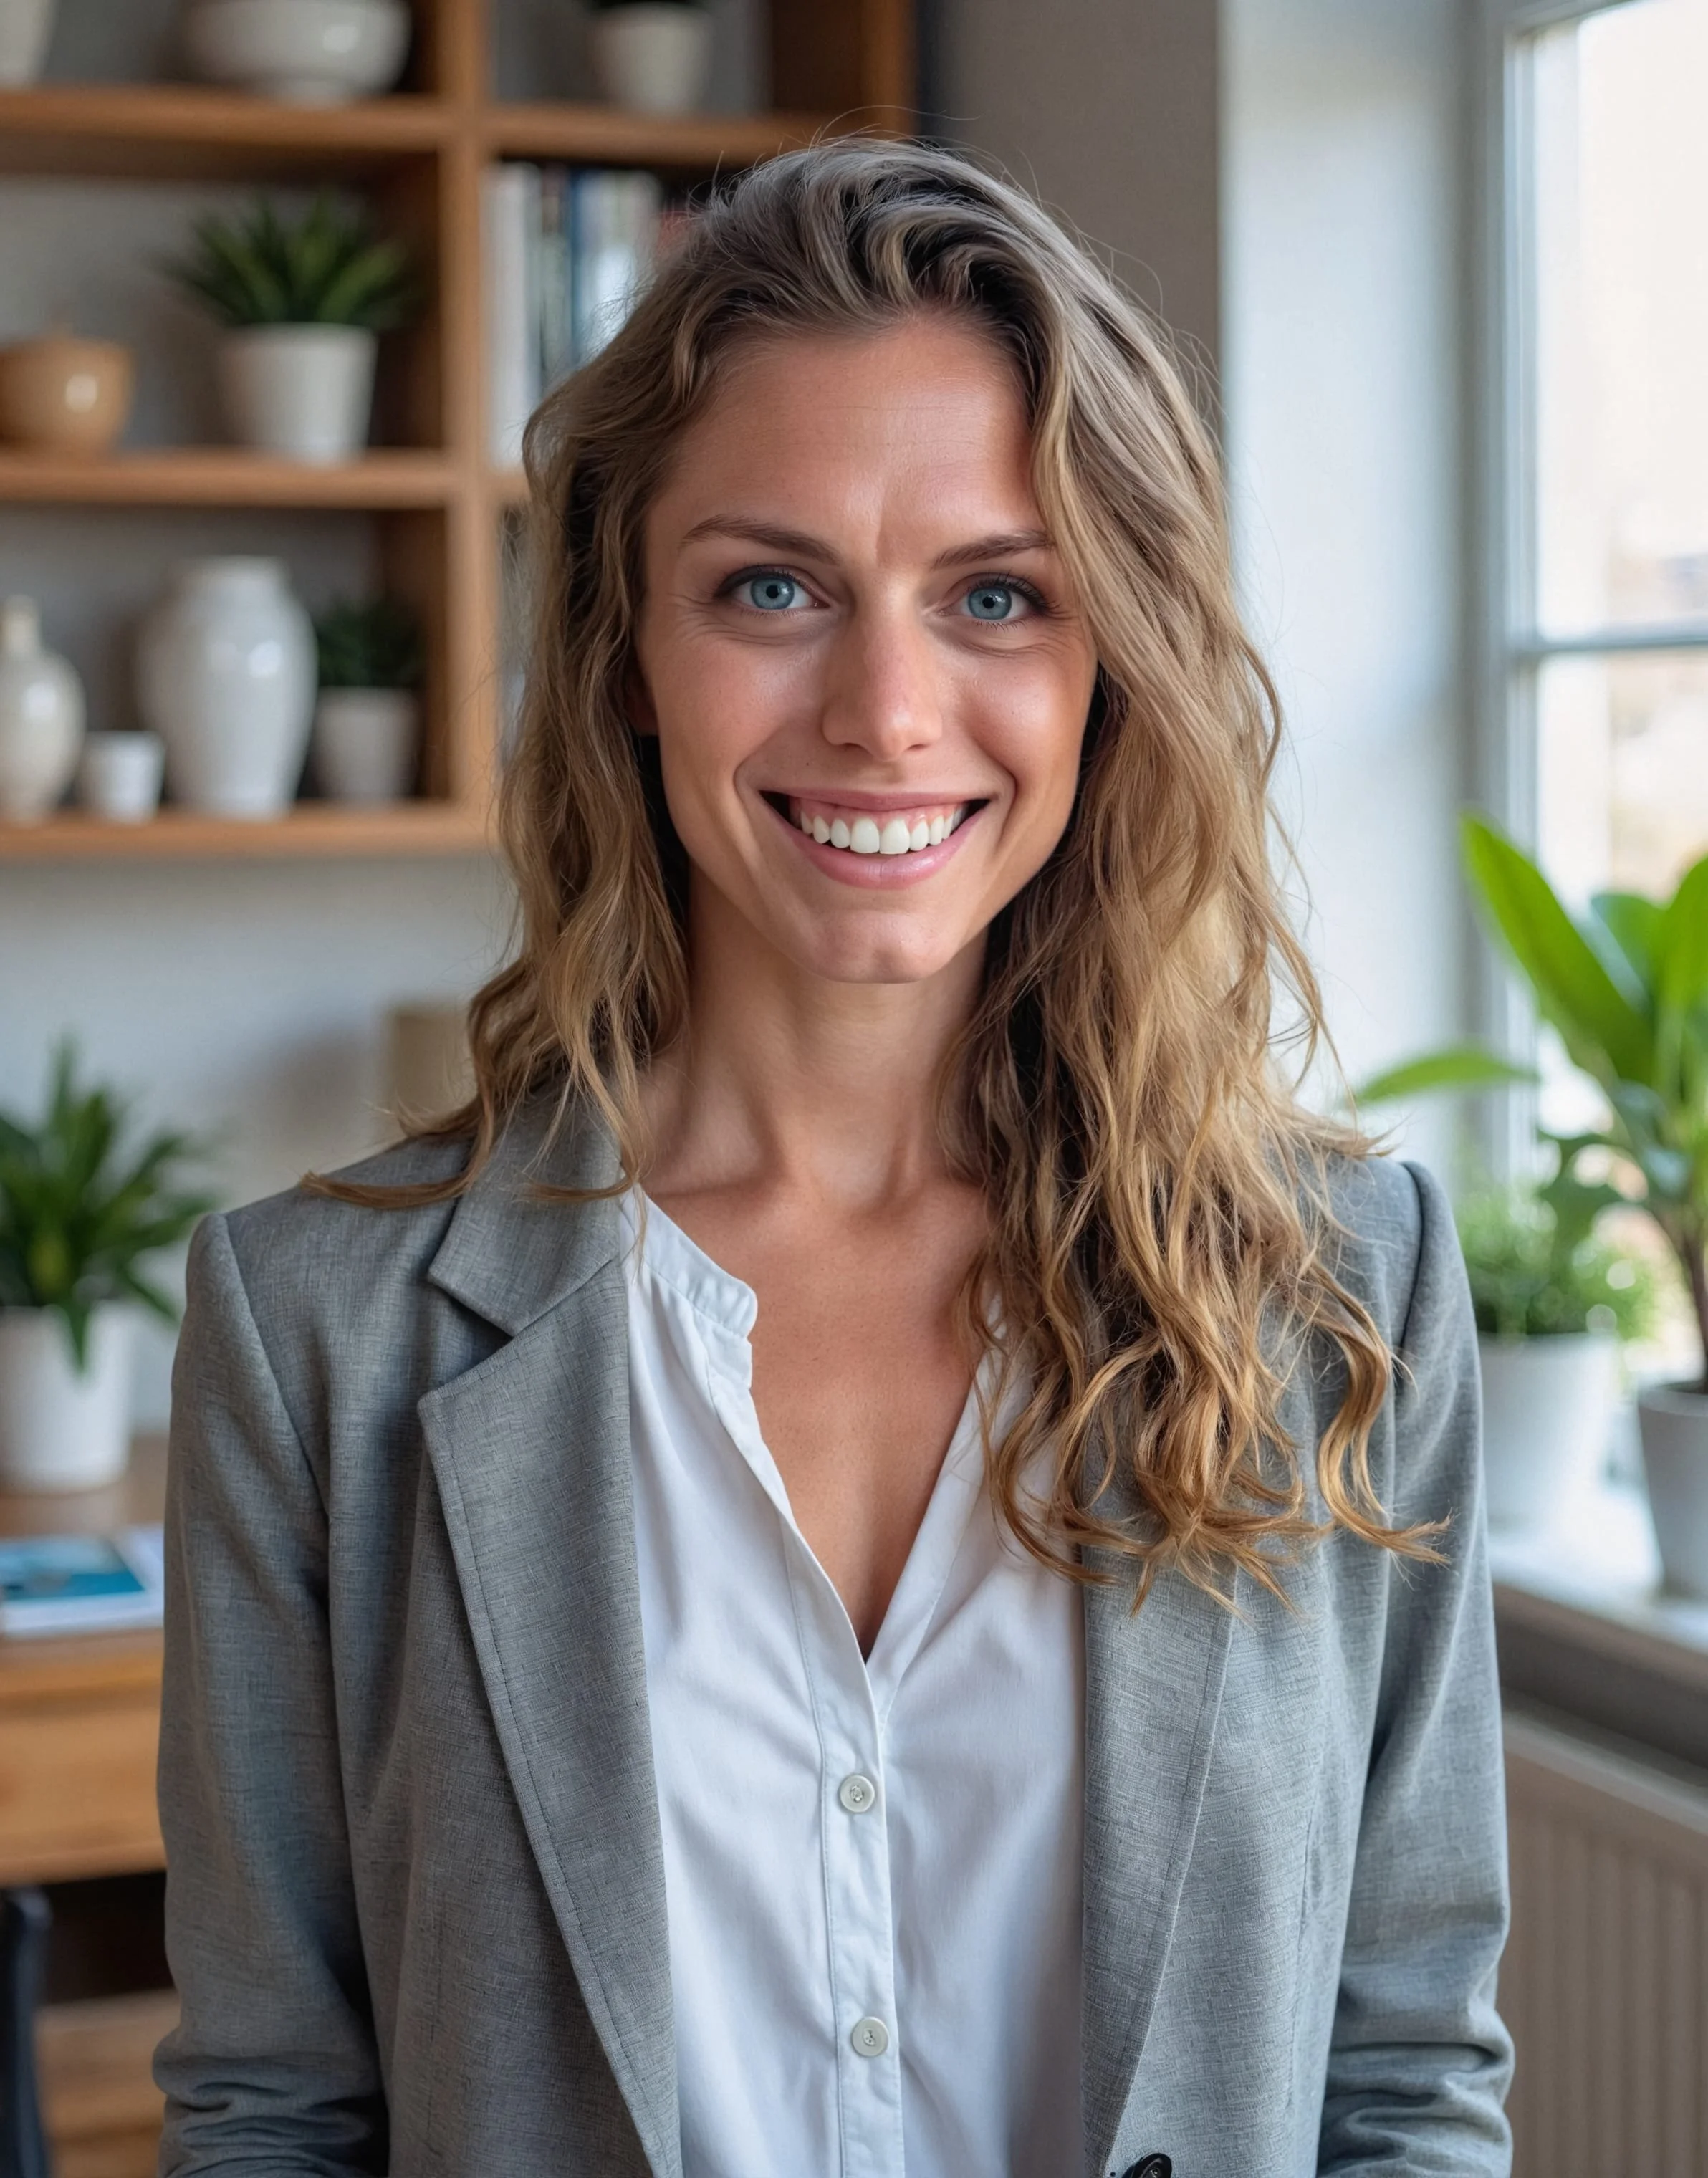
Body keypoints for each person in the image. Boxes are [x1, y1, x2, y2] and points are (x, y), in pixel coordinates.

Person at [155, 140, 1513, 2177]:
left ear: (1109, 663)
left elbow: (1405, 2081)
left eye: (995, 595)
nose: (887, 710)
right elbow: (275, 2114)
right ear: (623, 648)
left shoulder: (1345, 1290)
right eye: (770, 588)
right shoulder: (314, 1339)